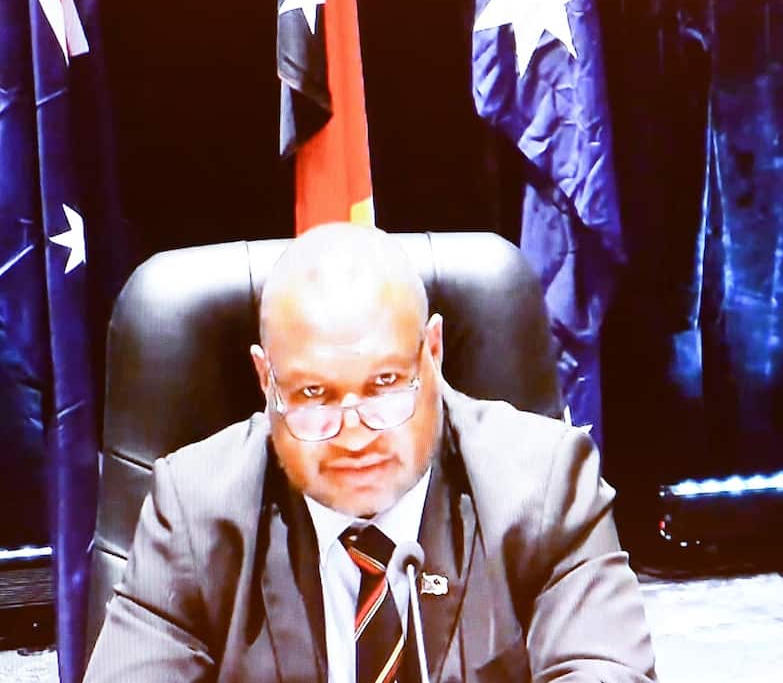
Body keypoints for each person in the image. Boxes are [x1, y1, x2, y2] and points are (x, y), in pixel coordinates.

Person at [83, 223, 658, 683]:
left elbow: (606, 670)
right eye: (314, 395)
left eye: (386, 383)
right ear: (266, 381)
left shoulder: (545, 486)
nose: (355, 434)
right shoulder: (195, 508)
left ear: (432, 351)